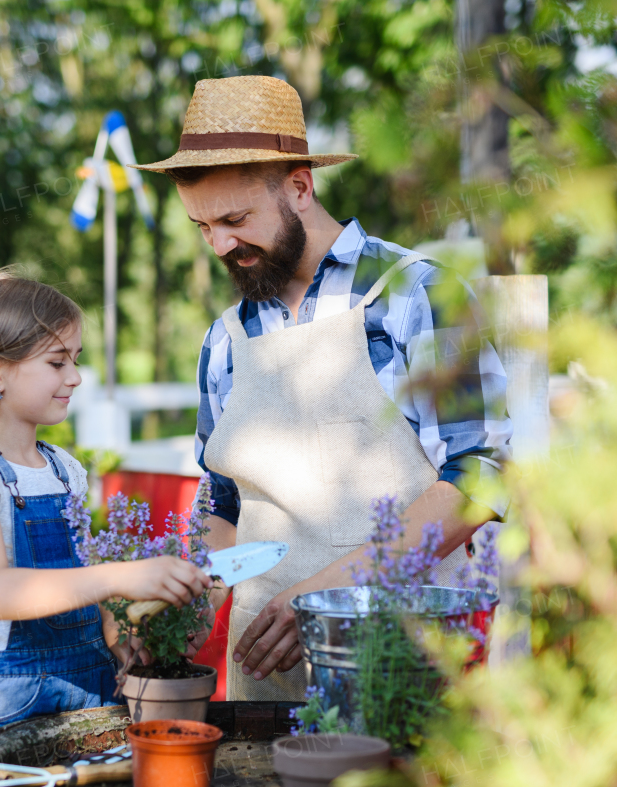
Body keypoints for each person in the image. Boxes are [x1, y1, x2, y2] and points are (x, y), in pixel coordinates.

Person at [132, 76, 512, 702]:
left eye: (235, 219)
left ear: (300, 187)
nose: (220, 244)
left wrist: (320, 600)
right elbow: (222, 507)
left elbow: (482, 475)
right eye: (202, 227)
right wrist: (176, 616)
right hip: (267, 679)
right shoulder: (225, 339)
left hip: (405, 659)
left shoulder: (417, 297)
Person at [0, 270, 212, 785]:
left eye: (75, 360)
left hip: (92, 683)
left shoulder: (63, 469)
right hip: (11, 697)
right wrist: (119, 577)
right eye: (57, 363)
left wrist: (117, 634)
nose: (74, 377)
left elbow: (78, 576)